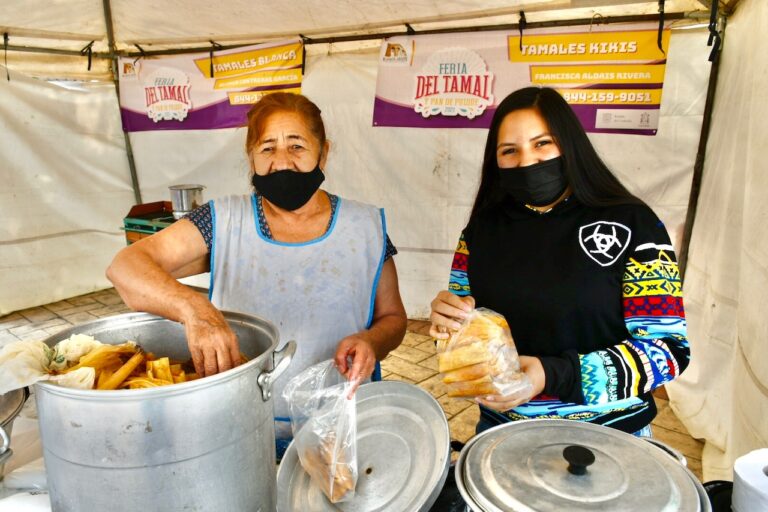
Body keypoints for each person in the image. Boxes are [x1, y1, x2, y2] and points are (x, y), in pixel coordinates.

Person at [107, 92, 407, 455]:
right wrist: (195, 311)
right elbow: (125, 267)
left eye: (297, 146)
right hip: (238, 429)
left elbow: (393, 318)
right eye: (267, 149)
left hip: (338, 429)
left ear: (323, 152)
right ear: (251, 157)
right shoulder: (222, 221)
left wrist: (372, 342)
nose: (282, 162)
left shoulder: (365, 226)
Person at [429, 87, 689, 436]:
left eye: (542, 144)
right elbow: (466, 334)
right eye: (510, 151)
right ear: (496, 160)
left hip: (610, 436)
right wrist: (449, 326)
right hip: (503, 433)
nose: (527, 162)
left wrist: (549, 375)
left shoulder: (634, 225)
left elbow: (669, 351)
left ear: (570, 144)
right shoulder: (481, 230)